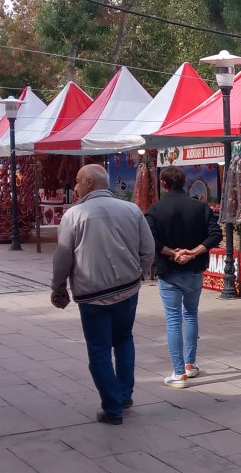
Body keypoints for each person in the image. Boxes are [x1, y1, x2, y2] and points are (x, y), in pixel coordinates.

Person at [51, 164, 154, 426]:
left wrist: (58, 285)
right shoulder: (131, 210)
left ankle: (113, 408)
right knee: (123, 340)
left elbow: (63, 256)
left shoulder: (74, 215)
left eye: (76, 181)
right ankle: (124, 395)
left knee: (98, 350)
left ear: (88, 182)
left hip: (92, 293)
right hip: (127, 289)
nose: (74, 187)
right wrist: (139, 273)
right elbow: (148, 248)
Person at [145, 165, 222, 389]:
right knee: (190, 315)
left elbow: (150, 239)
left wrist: (172, 253)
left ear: (164, 184)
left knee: (173, 320)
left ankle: (179, 373)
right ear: (185, 183)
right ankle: (190, 364)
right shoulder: (200, 207)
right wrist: (194, 251)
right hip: (194, 269)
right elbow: (215, 233)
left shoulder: (155, 209)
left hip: (169, 272)